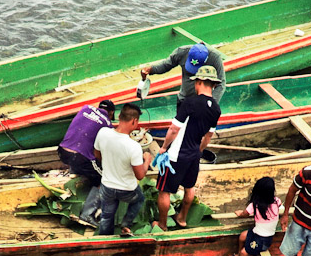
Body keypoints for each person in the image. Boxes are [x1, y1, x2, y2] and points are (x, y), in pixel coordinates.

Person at [153, 65, 221, 231]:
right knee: (189, 187)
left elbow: (173, 129)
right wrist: (198, 151)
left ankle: (162, 225)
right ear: (213, 85)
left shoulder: (189, 102)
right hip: (194, 155)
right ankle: (182, 218)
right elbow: (208, 137)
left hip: (177, 155)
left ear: (199, 82)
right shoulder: (216, 109)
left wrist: (163, 148)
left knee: (164, 190)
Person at [94, 103, 152, 236]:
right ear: (134, 121)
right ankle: (126, 224)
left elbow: (97, 155)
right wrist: (147, 160)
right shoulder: (133, 146)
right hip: (127, 190)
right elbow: (140, 175)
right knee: (139, 199)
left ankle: (104, 239)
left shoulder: (102, 132)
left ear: (119, 116)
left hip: (107, 186)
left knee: (106, 216)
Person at [58, 99, 116, 226]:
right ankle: (87, 214)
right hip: (77, 157)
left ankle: (75, 171)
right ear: (111, 113)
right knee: (106, 177)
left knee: (84, 154)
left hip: (62, 151)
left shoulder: (85, 108)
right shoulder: (107, 124)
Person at [226, 176, 282, 256]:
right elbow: (280, 206)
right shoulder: (276, 201)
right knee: (242, 236)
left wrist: (239, 213)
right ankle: (238, 255)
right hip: (257, 233)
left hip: (264, 240)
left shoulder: (254, 205)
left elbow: (244, 214)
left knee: (244, 253)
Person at [141, 43, 226, 106]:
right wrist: (151, 69)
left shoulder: (215, 58)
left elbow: (221, 84)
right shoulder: (181, 52)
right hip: (184, 99)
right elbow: (166, 65)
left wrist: (210, 104)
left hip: (203, 102)